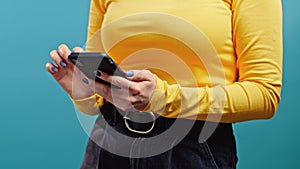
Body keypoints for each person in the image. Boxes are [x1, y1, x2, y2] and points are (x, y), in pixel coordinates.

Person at [45, 0, 282, 168]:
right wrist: (85, 92)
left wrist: (164, 98)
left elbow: (264, 94)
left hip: (191, 147)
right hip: (108, 141)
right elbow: (99, 95)